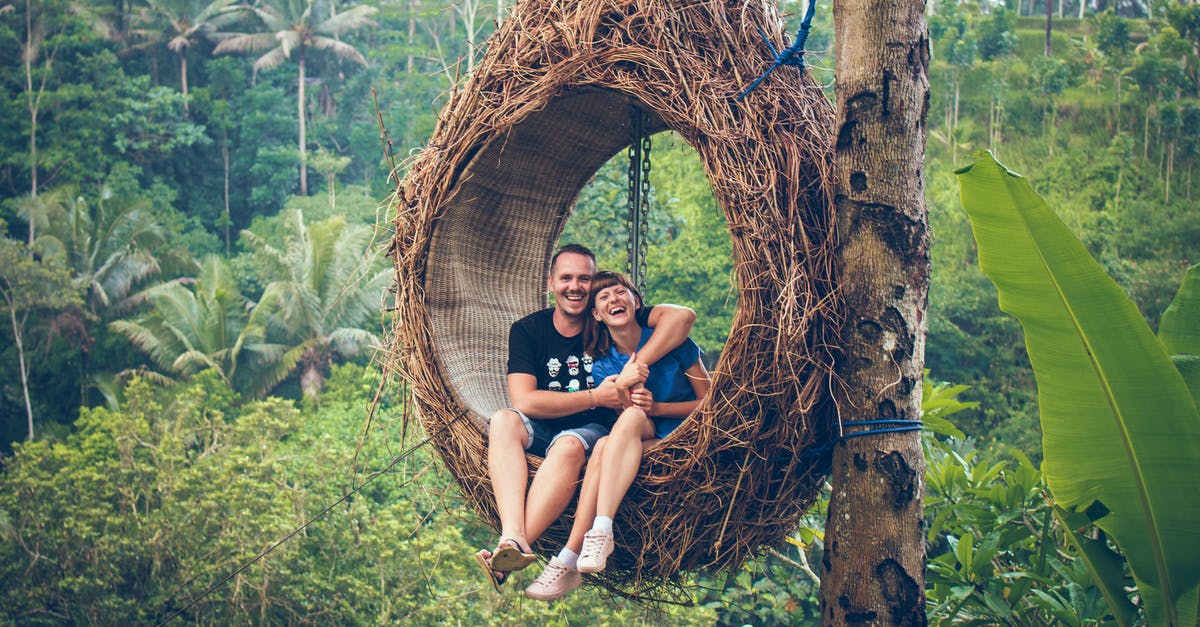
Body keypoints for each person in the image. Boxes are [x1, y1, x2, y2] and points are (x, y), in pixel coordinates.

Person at [475, 246, 696, 592]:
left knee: (568, 445)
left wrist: (633, 368)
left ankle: (515, 549)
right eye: (566, 278)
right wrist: (597, 395)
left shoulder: (613, 322)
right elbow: (524, 401)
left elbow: (681, 319)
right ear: (551, 283)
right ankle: (513, 536)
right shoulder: (529, 330)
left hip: (591, 428)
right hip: (545, 422)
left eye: (584, 278)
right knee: (503, 419)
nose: (575, 286)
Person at [524, 270, 710, 601]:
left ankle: (587, 540)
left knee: (619, 433)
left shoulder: (674, 342)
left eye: (620, 292)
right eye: (604, 297)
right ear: (595, 314)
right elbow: (627, 416)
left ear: (636, 301)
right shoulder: (602, 365)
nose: (614, 299)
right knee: (607, 442)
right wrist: (626, 386)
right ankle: (580, 549)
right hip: (645, 441)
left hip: (689, 437)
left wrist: (659, 408)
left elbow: (710, 403)